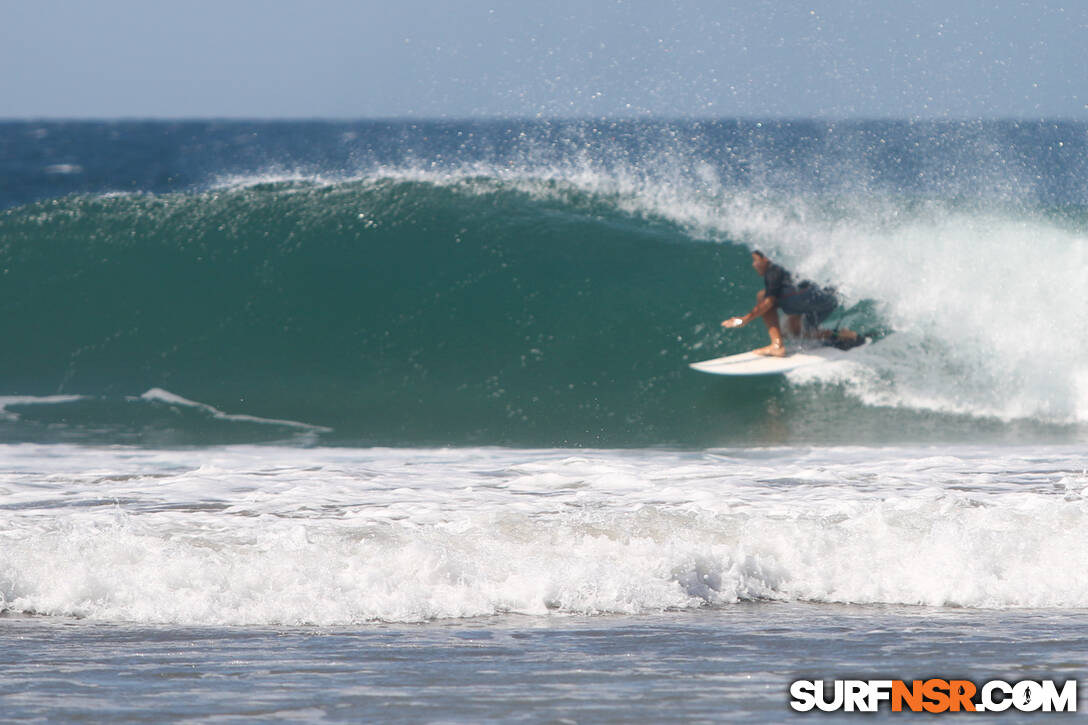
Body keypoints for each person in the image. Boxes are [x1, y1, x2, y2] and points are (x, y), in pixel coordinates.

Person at [721, 250, 861, 357]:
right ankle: (843, 336)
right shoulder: (792, 266)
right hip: (826, 300)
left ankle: (777, 345)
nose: (754, 264)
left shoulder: (773, 270)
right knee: (796, 333)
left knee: (762, 295)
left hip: (804, 299)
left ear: (766, 259)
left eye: (755, 260)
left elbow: (769, 302)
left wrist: (744, 319)